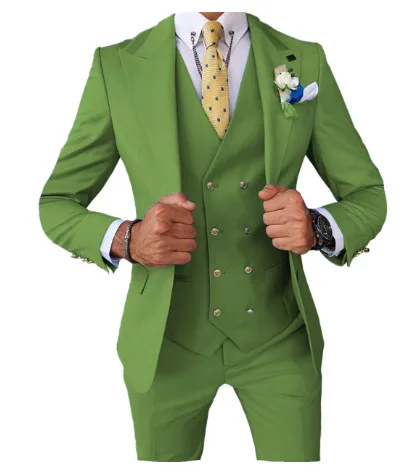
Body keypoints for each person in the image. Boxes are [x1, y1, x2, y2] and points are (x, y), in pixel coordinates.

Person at [39, 11, 387, 462]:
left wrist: (317, 227)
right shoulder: (117, 65)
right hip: (164, 344)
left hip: (280, 338)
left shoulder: (304, 60)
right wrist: (128, 238)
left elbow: (367, 195)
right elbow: (57, 202)